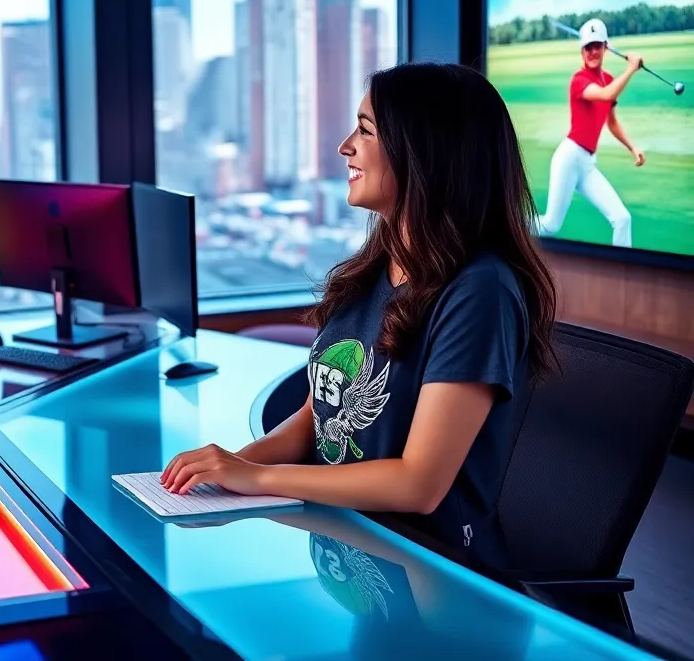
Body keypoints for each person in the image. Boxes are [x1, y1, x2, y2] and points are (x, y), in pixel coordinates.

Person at [161, 63, 557, 572]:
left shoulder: (480, 292)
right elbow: (314, 423)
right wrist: (229, 468)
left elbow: (419, 485)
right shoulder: (374, 268)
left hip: (432, 576)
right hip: (349, 546)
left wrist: (253, 479)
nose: (346, 146)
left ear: (424, 152)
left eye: (366, 130)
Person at [535, 18, 644, 248]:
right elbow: (604, 95)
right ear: (581, 50)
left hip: (587, 164)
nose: (592, 52)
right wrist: (631, 69)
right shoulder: (579, 80)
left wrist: (632, 147)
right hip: (569, 158)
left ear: (606, 46)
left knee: (622, 219)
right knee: (549, 226)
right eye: (587, 47)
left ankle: (620, 270)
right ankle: (502, 223)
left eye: (597, 45)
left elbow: (611, 122)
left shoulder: (609, 80)